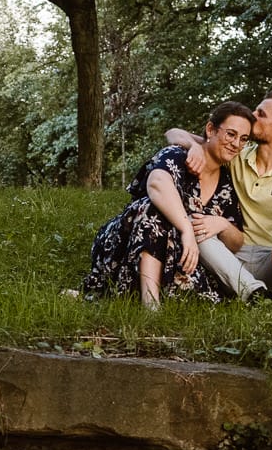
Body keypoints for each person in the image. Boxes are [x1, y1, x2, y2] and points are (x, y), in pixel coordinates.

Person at [82, 101, 254, 309]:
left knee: (200, 295)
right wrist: (186, 230)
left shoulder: (228, 182)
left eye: (243, 139)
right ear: (211, 129)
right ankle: (150, 306)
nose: (236, 144)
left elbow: (236, 244)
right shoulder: (179, 154)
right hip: (130, 241)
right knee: (154, 210)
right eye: (231, 134)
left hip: (179, 253)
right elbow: (156, 184)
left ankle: (124, 293)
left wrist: (223, 225)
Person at [166, 91, 272, 308]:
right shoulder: (237, 153)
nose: (252, 114)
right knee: (196, 225)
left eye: (261, 113)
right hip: (231, 262)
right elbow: (173, 133)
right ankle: (254, 295)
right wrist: (193, 147)